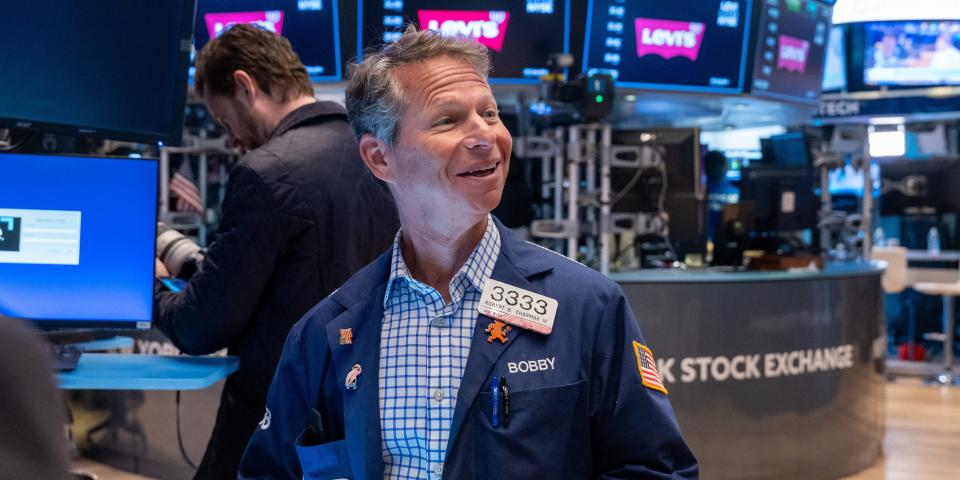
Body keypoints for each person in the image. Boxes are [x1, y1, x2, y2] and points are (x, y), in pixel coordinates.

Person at [239, 26, 698, 479]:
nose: (486, 136)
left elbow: (657, 471)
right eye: (447, 120)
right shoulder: (325, 332)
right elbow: (269, 473)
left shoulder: (587, 308)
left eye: (490, 114)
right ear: (380, 158)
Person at [153, 24, 398, 479]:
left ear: (245, 86)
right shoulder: (379, 153)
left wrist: (146, 286)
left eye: (225, 120)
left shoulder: (266, 173)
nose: (231, 139)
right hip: (372, 417)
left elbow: (200, 326)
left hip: (276, 422)